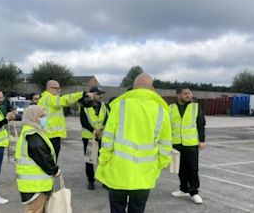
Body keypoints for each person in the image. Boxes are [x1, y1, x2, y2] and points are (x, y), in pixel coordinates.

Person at [95, 73, 172, 213]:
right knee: (137, 209)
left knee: (117, 207)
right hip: (145, 173)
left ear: (135, 87)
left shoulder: (119, 105)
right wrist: (160, 164)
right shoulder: (162, 110)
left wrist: (103, 160)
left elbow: (108, 138)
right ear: (153, 89)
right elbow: (166, 144)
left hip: (119, 170)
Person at [15, 105, 61, 213]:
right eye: (41, 116)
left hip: (35, 184)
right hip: (35, 185)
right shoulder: (32, 135)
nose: (44, 119)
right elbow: (43, 157)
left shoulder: (32, 131)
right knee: (35, 209)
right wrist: (55, 170)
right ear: (33, 117)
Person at [38, 80, 94, 159]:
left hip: (48, 134)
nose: (58, 90)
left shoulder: (44, 99)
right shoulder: (49, 98)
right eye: (56, 88)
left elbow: (43, 118)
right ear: (49, 88)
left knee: (47, 160)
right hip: (51, 136)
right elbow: (65, 100)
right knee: (51, 160)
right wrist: (82, 94)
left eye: (59, 88)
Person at [170, 85, 206, 204]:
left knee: (193, 169)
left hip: (190, 144)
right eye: (185, 94)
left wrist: (202, 140)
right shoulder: (171, 108)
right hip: (176, 144)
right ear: (178, 95)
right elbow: (166, 126)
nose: (188, 95)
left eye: (189, 93)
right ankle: (183, 189)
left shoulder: (196, 107)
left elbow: (201, 124)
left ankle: (194, 192)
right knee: (180, 169)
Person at [79, 86, 108, 190]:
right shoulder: (85, 106)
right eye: (98, 94)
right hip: (89, 137)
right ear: (92, 95)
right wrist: (94, 131)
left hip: (102, 136)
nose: (100, 96)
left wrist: (102, 129)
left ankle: (104, 180)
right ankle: (91, 181)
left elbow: (107, 118)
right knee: (90, 160)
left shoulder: (105, 106)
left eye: (101, 94)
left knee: (103, 159)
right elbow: (84, 121)